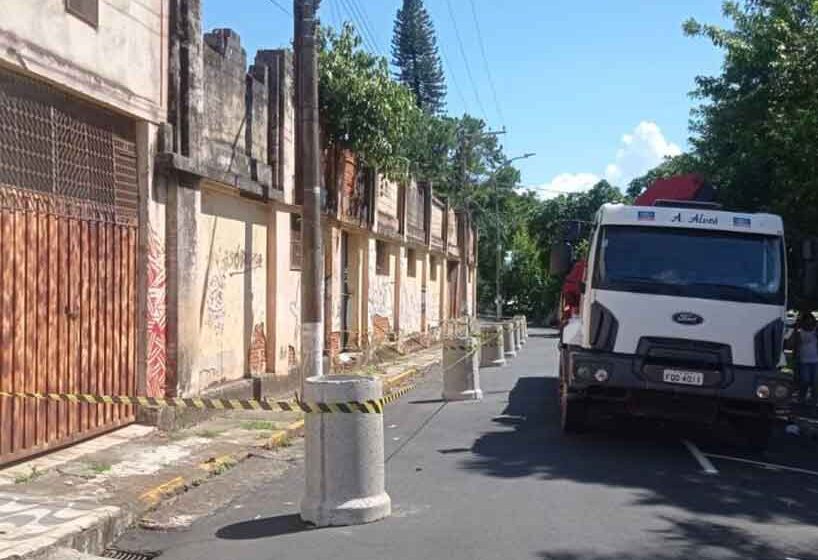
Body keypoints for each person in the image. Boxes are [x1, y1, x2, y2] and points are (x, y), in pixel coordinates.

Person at [792, 311, 818, 404]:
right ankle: (801, 396)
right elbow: (795, 344)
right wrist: (795, 356)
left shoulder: (815, 331)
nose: (809, 323)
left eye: (810, 321)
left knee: (815, 381)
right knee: (805, 380)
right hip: (804, 360)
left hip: (815, 360)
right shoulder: (800, 332)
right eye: (807, 321)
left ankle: (814, 399)